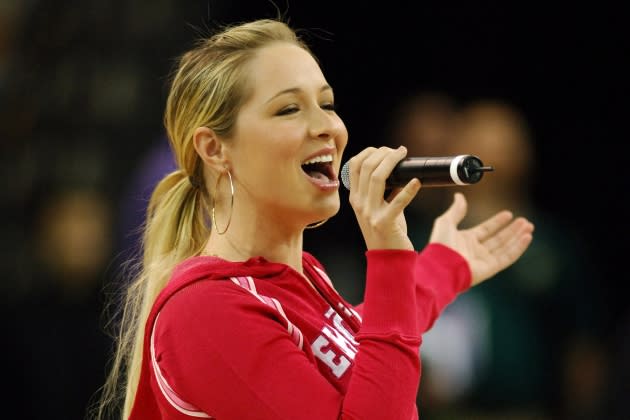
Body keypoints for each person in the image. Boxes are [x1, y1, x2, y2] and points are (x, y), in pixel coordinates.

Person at [95, 18, 534, 419]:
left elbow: (373, 348)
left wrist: (441, 267)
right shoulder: (202, 311)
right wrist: (389, 254)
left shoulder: (298, 280)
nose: (328, 127)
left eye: (327, 104)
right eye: (289, 109)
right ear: (214, 149)